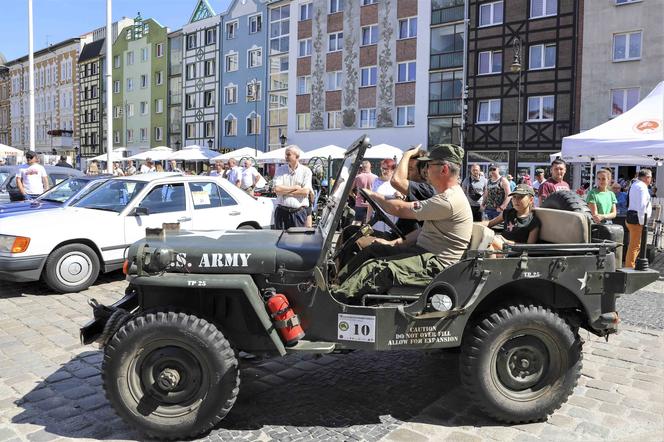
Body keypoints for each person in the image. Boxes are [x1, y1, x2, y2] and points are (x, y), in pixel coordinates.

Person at [333, 144, 472, 301]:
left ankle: (336, 302)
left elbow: (399, 209)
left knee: (377, 268)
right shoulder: (444, 196)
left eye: (429, 165)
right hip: (424, 254)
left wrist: (375, 196)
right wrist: (395, 243)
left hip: (436, 263)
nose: (426, 170)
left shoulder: (449, 200)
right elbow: (423, 231)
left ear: (444, 169)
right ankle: (337, 283)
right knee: (373, 250)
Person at [390, 146, 436, 236]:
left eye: (410, 169)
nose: (406, 172)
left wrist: (407, 154)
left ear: (424, 170)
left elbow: (396, 180)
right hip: (399, 236)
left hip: (409, 244)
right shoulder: (416, 189)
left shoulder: (427, 190)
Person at [486, 184, 540, 250]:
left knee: (490, 242)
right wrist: (473, 225)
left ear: (531, 200)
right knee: (487, 243)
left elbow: (529, 247)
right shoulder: (508, 213)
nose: (516, 200)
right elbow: (490, 223)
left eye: (521, 197)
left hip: (515, 253)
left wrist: (507, 242)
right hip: (501, 248)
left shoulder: (533, 221)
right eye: (514, 197)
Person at [273, 146, 313, 229]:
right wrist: (295, 188)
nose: (285, 157)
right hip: (281, 212)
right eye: (285, 154)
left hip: (298, 213)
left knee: (297, 240)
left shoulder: (306, 171)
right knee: (280, 240)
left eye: (288, 155)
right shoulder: (280, 170)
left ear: (297, 157)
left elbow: (305, 192)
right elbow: (277, 190)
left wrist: (284, 192)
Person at [625, 169, 653, 268]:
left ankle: (630, 265)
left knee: (635, 245)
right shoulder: (641, 187)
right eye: (650, 177)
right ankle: (629, 267)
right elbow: (642, 206)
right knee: (635, 246)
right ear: (647, 177)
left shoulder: (635, 185)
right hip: (637, 219)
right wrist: (642, 222)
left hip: (633, 217)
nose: (651, 180)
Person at [366, 159, 400, 232]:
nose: (383, 171)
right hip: (377, 219)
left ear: (393, 170)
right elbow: (371, 202)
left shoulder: (397, 182)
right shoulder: (376, 181)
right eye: (382, 168)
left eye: (386, 169)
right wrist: (367, 221)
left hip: (393, 220)